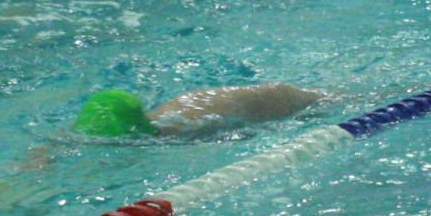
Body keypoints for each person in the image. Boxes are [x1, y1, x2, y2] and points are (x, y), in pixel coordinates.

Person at [74, 82, 326, 137]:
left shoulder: (182, 130)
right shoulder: (88, 132)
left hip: (283, 100)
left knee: (330, 100)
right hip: (260, 98)